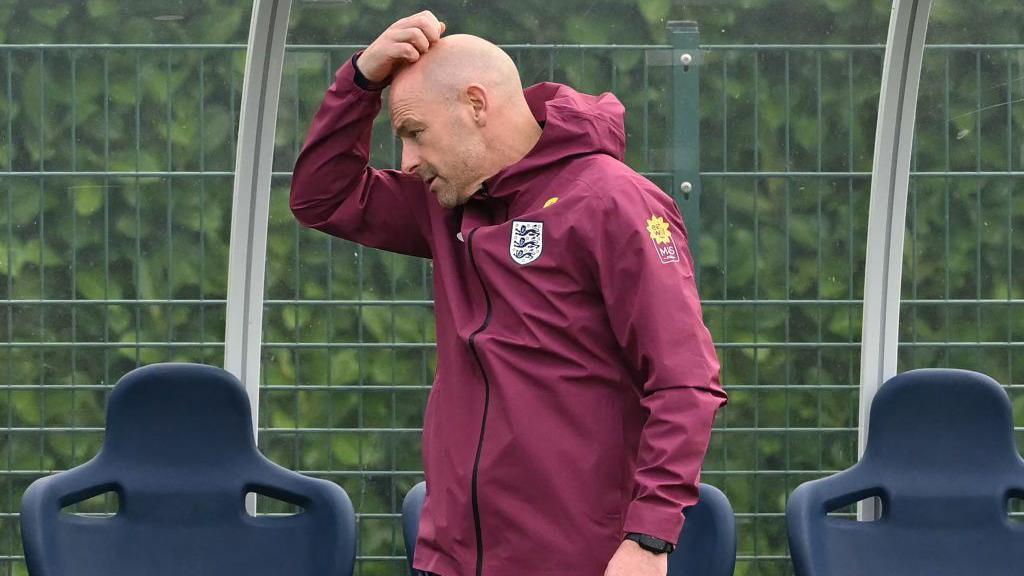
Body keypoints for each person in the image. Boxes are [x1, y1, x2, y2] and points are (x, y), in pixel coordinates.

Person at [290, 10, 727, 576]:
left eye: (414, 134)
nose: (407, 163)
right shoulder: (446, 204)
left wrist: (649, 537)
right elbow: (321, 198)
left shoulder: (612, 201)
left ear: (476, 105)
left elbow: (683, 379)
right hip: (450, 560)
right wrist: (360, 81)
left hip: (577, 562)